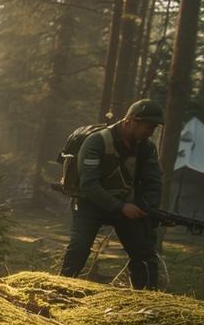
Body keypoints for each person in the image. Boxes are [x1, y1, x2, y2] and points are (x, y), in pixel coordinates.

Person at [59, 98, 164, 289]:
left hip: (126, 205)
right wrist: (120, 207)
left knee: (145, 254)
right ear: (130, 120)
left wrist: (150, 209)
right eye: (147, 127)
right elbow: (89, 185)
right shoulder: (97, 142)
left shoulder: (146, 148)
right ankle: (58, 290)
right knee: (79, 248)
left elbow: (153, 182)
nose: (149, 132)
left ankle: (148, 300)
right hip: (90, 203)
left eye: (153, 128)